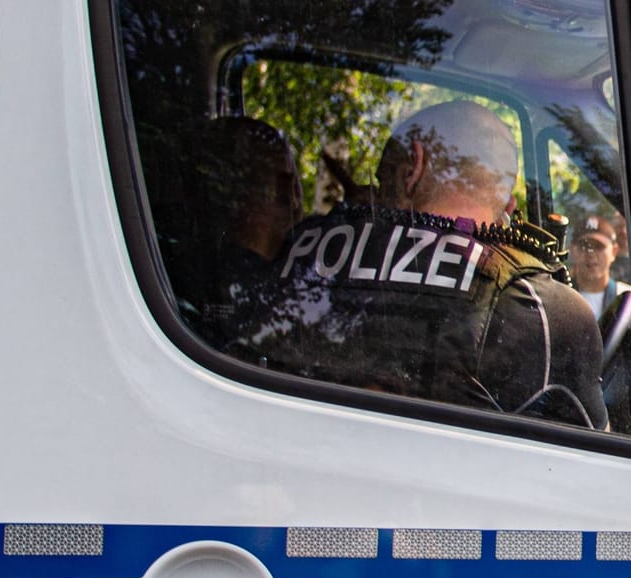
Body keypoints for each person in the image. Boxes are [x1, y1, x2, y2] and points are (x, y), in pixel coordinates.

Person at [227, 101, 608, 430]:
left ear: (412, 167)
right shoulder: (543, 309)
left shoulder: (299, 249)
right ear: (508, 203)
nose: (375, 195)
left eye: (380, 180)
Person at [172, 116, 303, 343]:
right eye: (279, 185)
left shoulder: (304, 269)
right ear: (236, 193)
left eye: (294, 185)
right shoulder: (187, 284)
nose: (293, 201)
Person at [569, 213, 628, 318]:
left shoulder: (628, 300)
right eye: (584, 246)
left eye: (599, 246)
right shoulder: (560, 297)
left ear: (614, 251)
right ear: (572, 250)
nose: (591, 253)